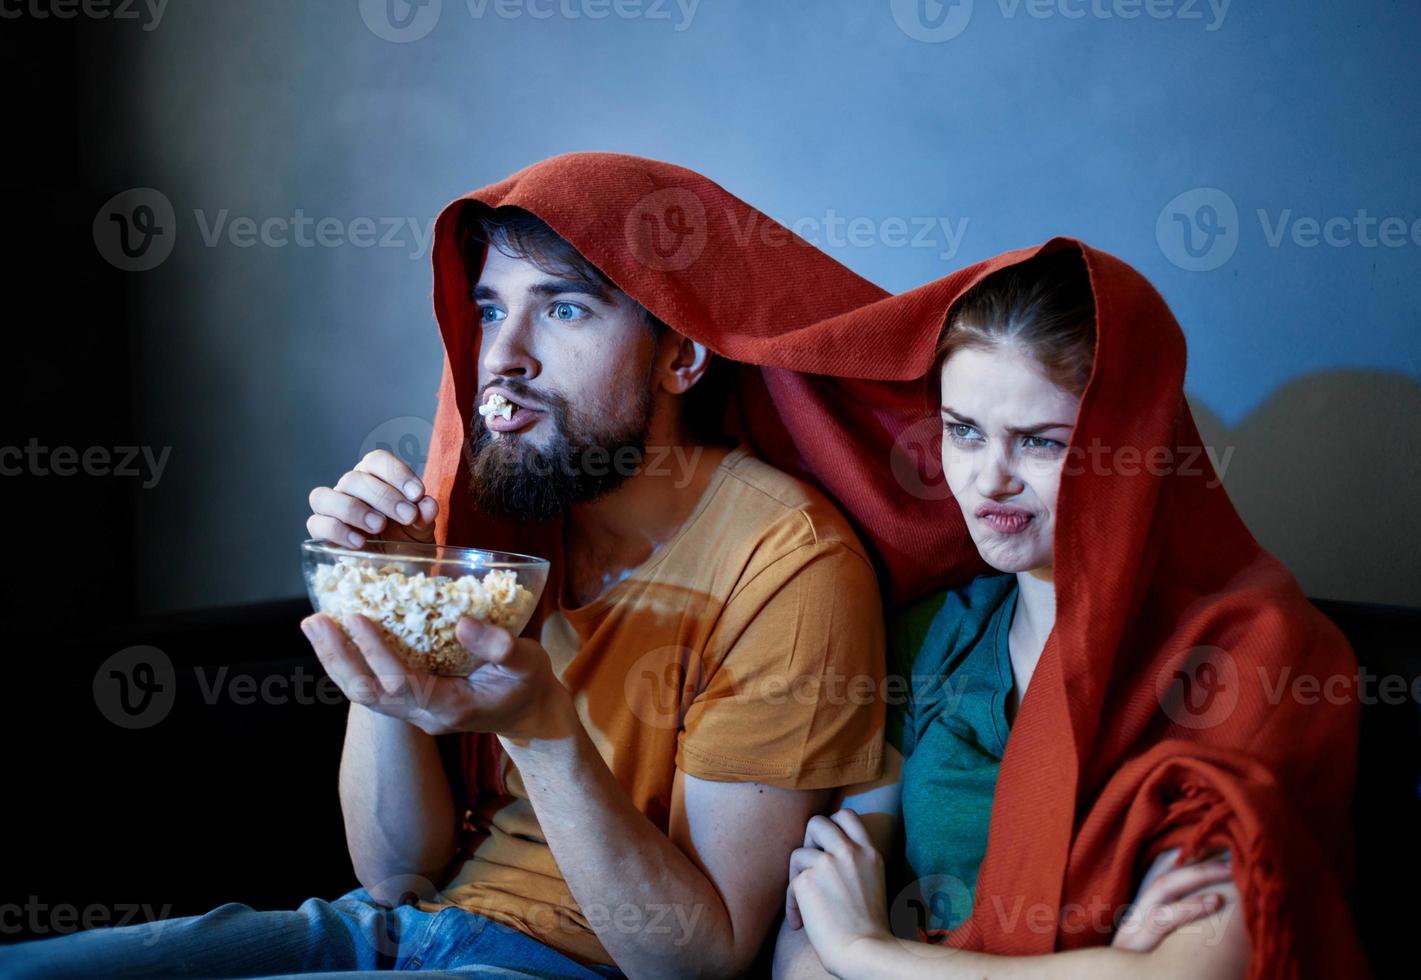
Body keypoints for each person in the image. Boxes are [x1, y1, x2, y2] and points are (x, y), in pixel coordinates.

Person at [2, 154, 896, 979]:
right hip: (393, 927)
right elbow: (394, 874)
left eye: (566, 307)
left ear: (681, 353)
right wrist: (385, 606)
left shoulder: (789, 563)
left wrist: (543, 730)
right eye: (492, 309)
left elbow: (697, 959)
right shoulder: (509, 517)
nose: (502, 358)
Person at [773, 246, 1368, 979]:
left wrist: (865, 951)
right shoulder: (938, 632)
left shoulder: (1255, 654)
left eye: (1041, 443)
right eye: (963, 430)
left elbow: (1190, 975)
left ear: (1130, 449)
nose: (988, 478)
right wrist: (1099, 964)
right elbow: (803, 944)